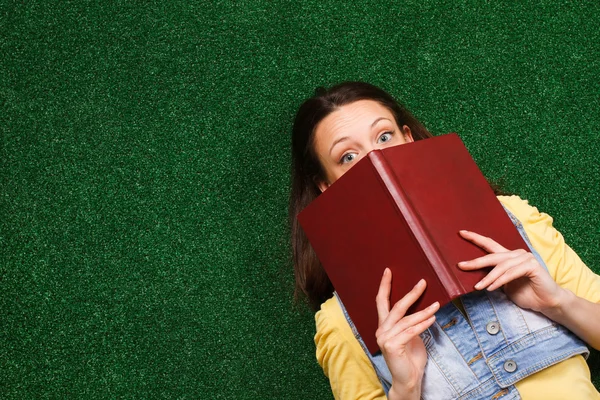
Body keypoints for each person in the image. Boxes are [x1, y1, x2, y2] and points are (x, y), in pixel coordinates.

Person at [289, 82, 600, 400]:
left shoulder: (515, 219)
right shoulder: (340, 324)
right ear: (327, 186)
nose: (374, 160)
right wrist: (405, 388)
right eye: (348, 156)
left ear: (408, 139)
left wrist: (558, 303)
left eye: (384, 137)